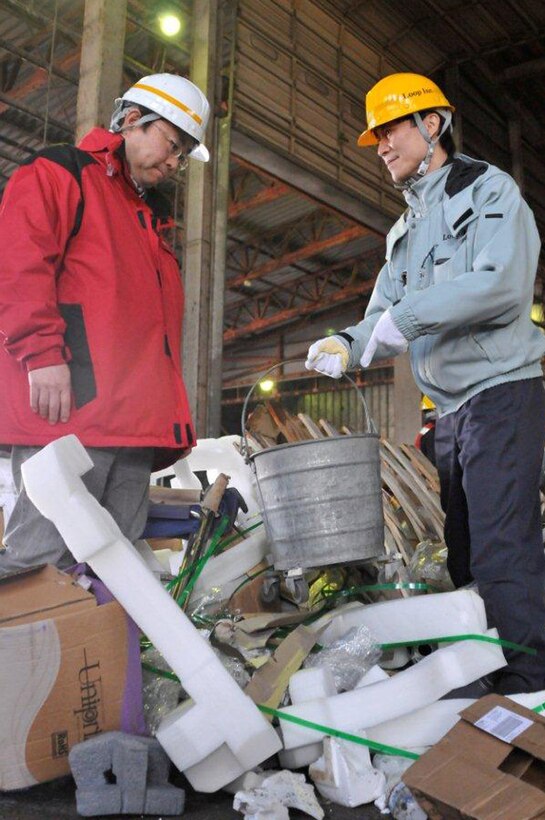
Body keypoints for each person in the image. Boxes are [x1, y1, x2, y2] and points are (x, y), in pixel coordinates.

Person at [306, 72, 545, 696]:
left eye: (389, 130)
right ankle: (491, 664)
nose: (381, 146)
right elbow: (379, 311)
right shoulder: (404, 231)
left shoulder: (489, 191)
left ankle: (530, 683)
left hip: (501, 392)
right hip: (451, 411)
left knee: (501, 549)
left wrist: (402, 322)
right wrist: (345, 344)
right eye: (376, 136)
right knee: (465, 552)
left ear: (431, 124)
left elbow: (500, 284)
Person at [0, 73, 210, 573]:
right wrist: (43, 355)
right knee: (42, 559)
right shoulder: (61, 173)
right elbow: (17, 264)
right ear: (133, 121)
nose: (175, 163)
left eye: (182, 156)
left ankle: (96, 654)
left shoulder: (146, 219)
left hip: (134, 422)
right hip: (74, 406)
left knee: (116, 563)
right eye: (173, 144)